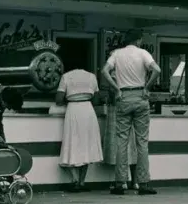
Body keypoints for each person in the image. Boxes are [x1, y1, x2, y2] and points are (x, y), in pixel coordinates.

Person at [101, 29, 161, 195]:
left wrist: (116, 89)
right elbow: (157, 70)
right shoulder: (143, 53)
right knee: (142, 142)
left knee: (122, 141)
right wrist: (147, 88)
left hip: (123, 97)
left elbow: (104, 71)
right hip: (140, 97)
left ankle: (120, 183)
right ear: (139, 40)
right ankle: (143, 183)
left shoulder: (117, 54)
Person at [56, 68, 103, 192]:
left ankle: (75, 180)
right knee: (86, 145)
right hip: (88, 110)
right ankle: (82, 182)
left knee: (72, 143)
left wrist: (70, 97)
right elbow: (97, 100)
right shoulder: (91, 76)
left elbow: (59, 100)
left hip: (73, 109)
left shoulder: (66, 76)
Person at [103, 68, 140, 192]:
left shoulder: (115, 77)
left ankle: (121, 181)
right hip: (134, 111)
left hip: (119, 113)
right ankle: (135, 182)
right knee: (133, 147)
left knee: (120, 146)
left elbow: (114, 97)